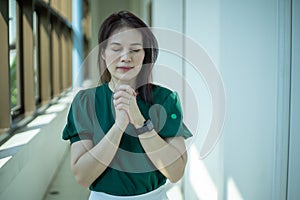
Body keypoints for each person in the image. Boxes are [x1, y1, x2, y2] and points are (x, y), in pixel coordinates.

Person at [62, 10, 192, 200]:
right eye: (116, 48)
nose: (125, 57)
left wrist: (140, 122)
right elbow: (82, 176)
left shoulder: (166, 99)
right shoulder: (85, 102)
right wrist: (119, 126)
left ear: (145, 55)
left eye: (135, 50)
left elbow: (175, 172)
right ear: (103, 53)